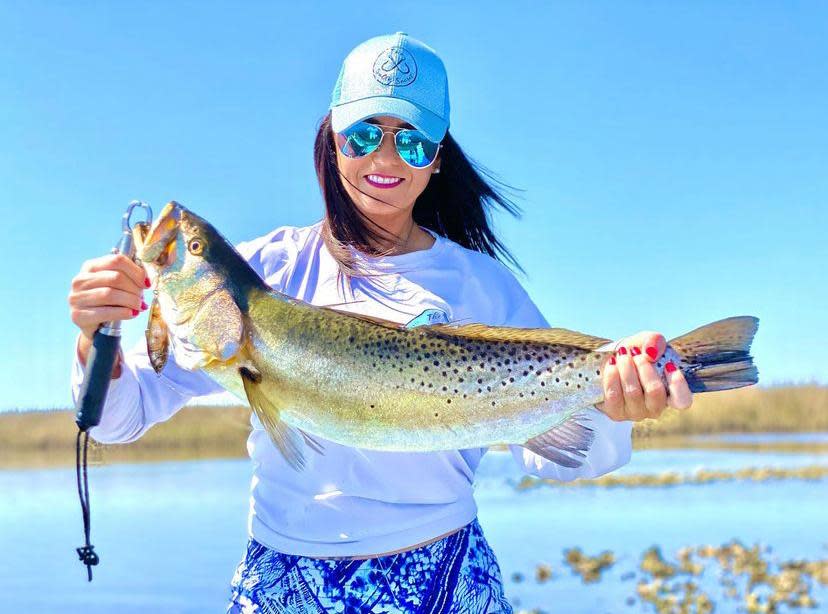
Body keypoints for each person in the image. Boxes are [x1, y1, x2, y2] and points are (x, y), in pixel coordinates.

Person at [68, 33, 693, 614]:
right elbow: (120, 420)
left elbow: (567, 458)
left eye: (413, 139)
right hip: (282, 580)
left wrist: (616, 406)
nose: (386, 156)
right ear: (331, 136)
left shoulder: (481, 285)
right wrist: (98, 337)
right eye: (365, 134)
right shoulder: (266, 269)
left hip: (444, 575)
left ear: (438, 159)